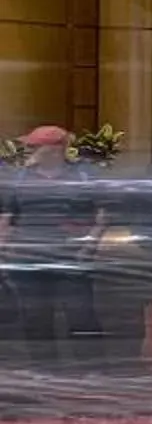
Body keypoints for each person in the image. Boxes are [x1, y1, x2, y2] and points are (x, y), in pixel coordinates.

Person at [4, 126, 106, 365]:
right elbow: (7, 216)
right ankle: (46, 370)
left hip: (72, 257)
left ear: (54, 149)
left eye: (33, 146)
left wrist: (90, 244)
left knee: (81, 316)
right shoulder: (21, 179)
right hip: (28, 257)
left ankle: (91, 369)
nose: (28, 150)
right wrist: (5, 247)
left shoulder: (83, 176)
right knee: (35, 318)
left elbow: (102, 213)